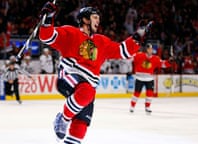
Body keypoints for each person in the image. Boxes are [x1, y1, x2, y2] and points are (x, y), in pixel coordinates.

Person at [38, 2, 152, 143]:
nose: (98, 21)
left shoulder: (101, 41)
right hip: (69, 75)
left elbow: (123, 51)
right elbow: (47, 37)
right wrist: (48, 19)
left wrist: (138, 35)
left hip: (87, 87)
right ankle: (63, 119)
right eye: (95, 17)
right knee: (87, 92)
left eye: (98, 18)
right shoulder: (71, 32)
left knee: (81, 127)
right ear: (85, 19)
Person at [129, 43, 171, 114]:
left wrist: (169, 62)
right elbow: (130, 57)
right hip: (139, 78)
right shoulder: (139, 55)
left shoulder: (155, 58)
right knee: (136, 93)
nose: (150, 50)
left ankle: (147, 107)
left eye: (151, 49)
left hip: (149, 79)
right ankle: (132, 106)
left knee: (150, 94)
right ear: (146, 49)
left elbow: (162, 64)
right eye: (149, 49)